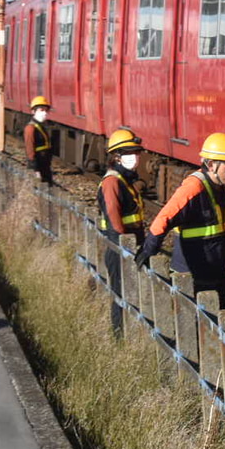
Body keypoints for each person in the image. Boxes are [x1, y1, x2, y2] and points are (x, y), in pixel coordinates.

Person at [136, 133, 225, 307]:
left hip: (212, 272)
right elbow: (165, 217)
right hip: (192, 275)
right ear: (211, 165)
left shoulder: (220, 187)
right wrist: (149, 249)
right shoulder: (193, 188)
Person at [98, 128, 147, 329]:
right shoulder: (112, 182)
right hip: (119, 247)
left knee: (132, 294)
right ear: (117, 157)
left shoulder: (124, 181)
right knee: (120, 296)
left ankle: (130, 334)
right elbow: (113, 217)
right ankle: (119, 336)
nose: (134, 157)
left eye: (136, 153)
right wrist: (125, 247)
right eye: (128, 153)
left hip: (129, 245)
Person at [24, 96, 54, 184]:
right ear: (33, 111)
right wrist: (35, 168)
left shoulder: (40, 126)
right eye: (41, 110)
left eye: (46, 110)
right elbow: (30, 148)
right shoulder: (30, 128)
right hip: (39, 162)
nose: (44, 113)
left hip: (45, 162)